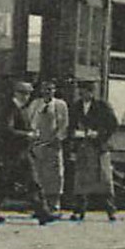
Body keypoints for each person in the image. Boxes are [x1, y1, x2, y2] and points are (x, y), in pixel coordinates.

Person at [0, 79, 56, 224]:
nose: (26, 96)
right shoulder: (10, 108)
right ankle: (43, 214)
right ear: (16, 92)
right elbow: (7, 130)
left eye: (28, 93)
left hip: (20, 152)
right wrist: (27, 135)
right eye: (23, 93)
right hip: (14, 153)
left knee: (7, 184)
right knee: (30, 182)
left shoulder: (21, 108)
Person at [68, 79, 120, 221]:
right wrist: (74, 134)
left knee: (104, 179)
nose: (81, 93)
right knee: (81, 180)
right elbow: (71, 125)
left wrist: (99, 134)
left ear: (91, 92)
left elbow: (113, 124)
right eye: (80, 91)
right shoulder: (76, 106)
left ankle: (111, 210)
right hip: (82, 147)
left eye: (85, 90)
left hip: (98, 147)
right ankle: (79, 210)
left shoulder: (102, 106)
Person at [26, 79, 71, 214]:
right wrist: (32, 137)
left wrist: (58, 138)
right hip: (38, 144)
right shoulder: (35, 104)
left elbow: (64, 124)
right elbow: (30, 120)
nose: (48, 92)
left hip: (53, 144)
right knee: (39, 175)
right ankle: (41, 206)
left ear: (54, 90)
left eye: (51, 89)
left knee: (55, 175)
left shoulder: (60, 105)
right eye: (45, 89)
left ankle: (55, 204)